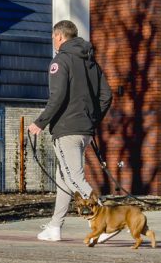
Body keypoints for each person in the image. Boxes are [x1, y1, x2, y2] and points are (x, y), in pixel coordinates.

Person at [28, 19, 106, 241]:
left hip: (67, 129)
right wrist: (91, 120)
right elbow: (106, 96)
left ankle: (105, 222)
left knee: (74, 178)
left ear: (60, 36)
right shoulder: (91, 63)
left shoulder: (60, 61)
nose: (53, 40)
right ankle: (55, 226)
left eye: (53, 36)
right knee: (63, 178)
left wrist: (40, 122)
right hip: (85, 131)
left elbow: (58, 96)